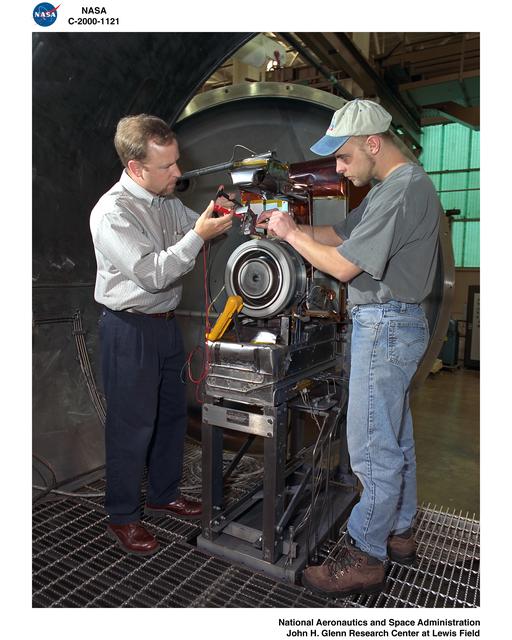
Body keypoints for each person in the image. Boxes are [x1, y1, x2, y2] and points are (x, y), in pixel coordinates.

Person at [257, 99, 440, 596]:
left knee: (372, 446)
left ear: (373, 144)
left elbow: (341, 266)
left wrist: (291, 235)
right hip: (393, 325)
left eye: (343, 156)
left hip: (385, 326)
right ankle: (399, 531)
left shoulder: (402, 190)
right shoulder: (387, 191)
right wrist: (285, 224)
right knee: (395, 437)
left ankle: (365, 555)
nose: (338, 168)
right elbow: (337, 235)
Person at [90, 114, 233, 556]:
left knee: (171, 416)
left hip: (165, 327)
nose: (178, 172)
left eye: (176, 161)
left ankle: (163, 493)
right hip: (129, 329)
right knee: (132, 426)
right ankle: (122, 515)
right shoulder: (112, 213)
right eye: (167, 166)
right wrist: (197, 235)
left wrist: (228, 215)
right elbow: (153, 274)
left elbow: (199, 230)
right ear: (136, 168)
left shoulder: (164, 200)